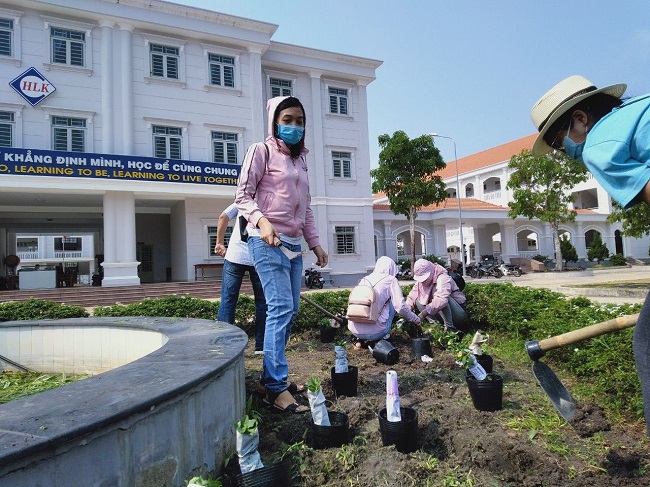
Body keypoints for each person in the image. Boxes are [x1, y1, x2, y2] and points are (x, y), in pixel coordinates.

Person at [531, 74, 650, 437]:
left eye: (557, 140)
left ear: (581, 118)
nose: (560, 150)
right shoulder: (637, 110)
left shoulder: (601, 143)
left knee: (646, 345)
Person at [235, 95, 328, 414]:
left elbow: (307, 206)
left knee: (291, 309)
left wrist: (314, 242)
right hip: (267, 240)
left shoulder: (301, 160)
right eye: (287, 120)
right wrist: (262, 222)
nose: (294, 126)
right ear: (274, 121)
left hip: (293, 243)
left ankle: (272, 378)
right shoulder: (260, 151)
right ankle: (275, 387)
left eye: (299, 121)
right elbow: (243, 195)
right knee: (279, 307)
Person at [214, 202, 266, 354]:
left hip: (235, 255)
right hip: (258, 257)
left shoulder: (243, 201)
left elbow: (223, 216)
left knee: (228, 300)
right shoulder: (267, 202)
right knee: (262, 302)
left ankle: (224, 345)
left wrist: (219, 242)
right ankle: (261, 346)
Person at [347, 256, 421, 350]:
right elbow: (400, 307)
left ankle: (359, 340)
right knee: (393, 302)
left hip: (354, 330)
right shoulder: (391, 280)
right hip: (378, 332)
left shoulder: (364, 279)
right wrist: (415, 319)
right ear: (392, 268)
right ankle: (381, 338)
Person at [406, 259, 468, 332]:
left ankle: (450, 328)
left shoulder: (443, 278)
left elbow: (442, 301)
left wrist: (423, 314)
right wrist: (407, 312)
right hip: (442, 314)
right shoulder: (421, 282)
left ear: (431, 272)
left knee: (441, 300)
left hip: (457, 314)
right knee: (418, 299)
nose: (422, 281)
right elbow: (412, 295)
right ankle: (435, 326)